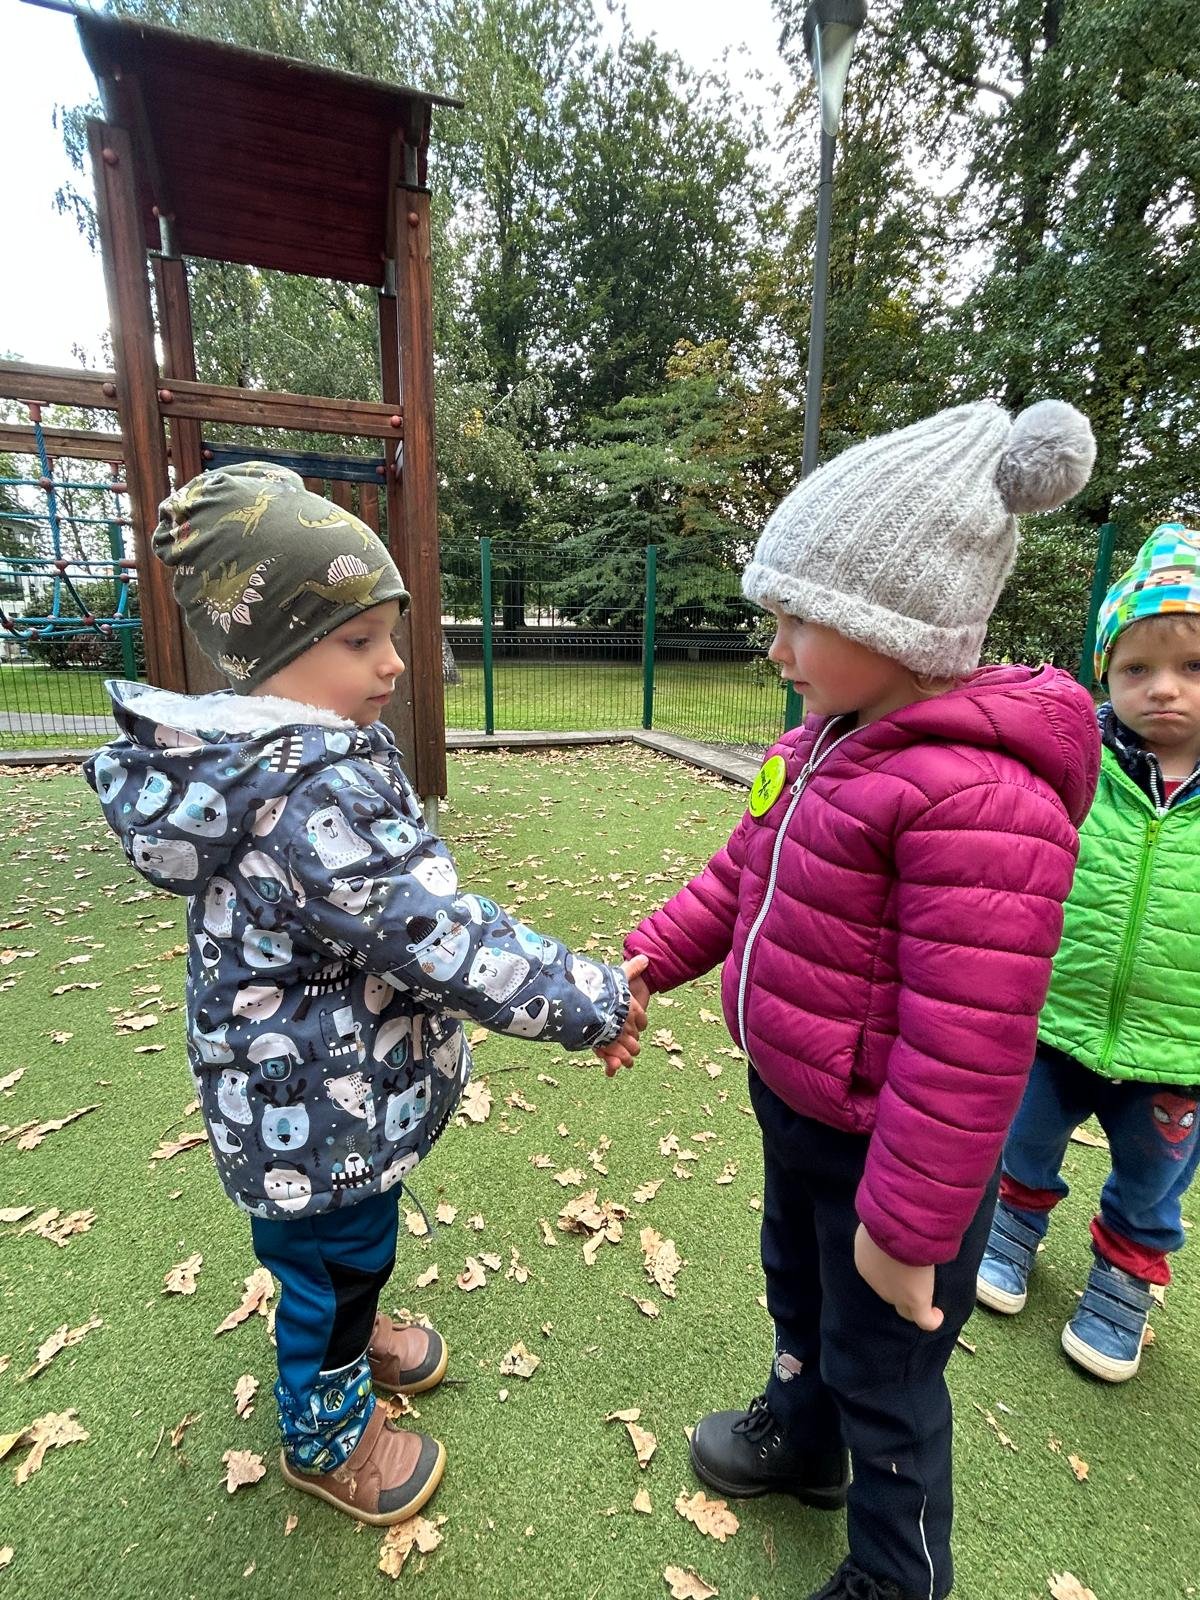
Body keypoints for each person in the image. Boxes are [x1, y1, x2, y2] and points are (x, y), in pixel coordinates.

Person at [84, 463, 646, 1526]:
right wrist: (593, 1000)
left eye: (391, 633)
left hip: (313, 1084)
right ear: (269, 656)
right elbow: (438, 935)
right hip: (310, 1099)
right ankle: (326, 1437)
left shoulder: (290, 758)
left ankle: (354, 1333)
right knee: (329, 1271)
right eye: (358, 640)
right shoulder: (306, 787)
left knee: (345, 1249)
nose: (393, 661)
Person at [619, 400, 1100, 1600]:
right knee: (799, 1289)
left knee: (887, 1371)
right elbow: (739, 877)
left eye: (799, 620)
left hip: (895, 1155)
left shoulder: (977, 797)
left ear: (897, 621)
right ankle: (803, 1435)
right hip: (799, 1106)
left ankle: (897, 1576)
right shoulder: (821, 744)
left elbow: (968, 1046)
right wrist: (652, 956)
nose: (776, 647)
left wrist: (908, 1225)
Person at [976, 523, 1200, 1381]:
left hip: (1177, 1045)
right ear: (1106, 672)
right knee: (1025, 1138)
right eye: (1137, 668)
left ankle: (1123, 1281)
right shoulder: (1077, 766)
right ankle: (1011, 1228)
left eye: (1192, 667)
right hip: (1055, 1014)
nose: (1163, 689)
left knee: (1152, 1181)